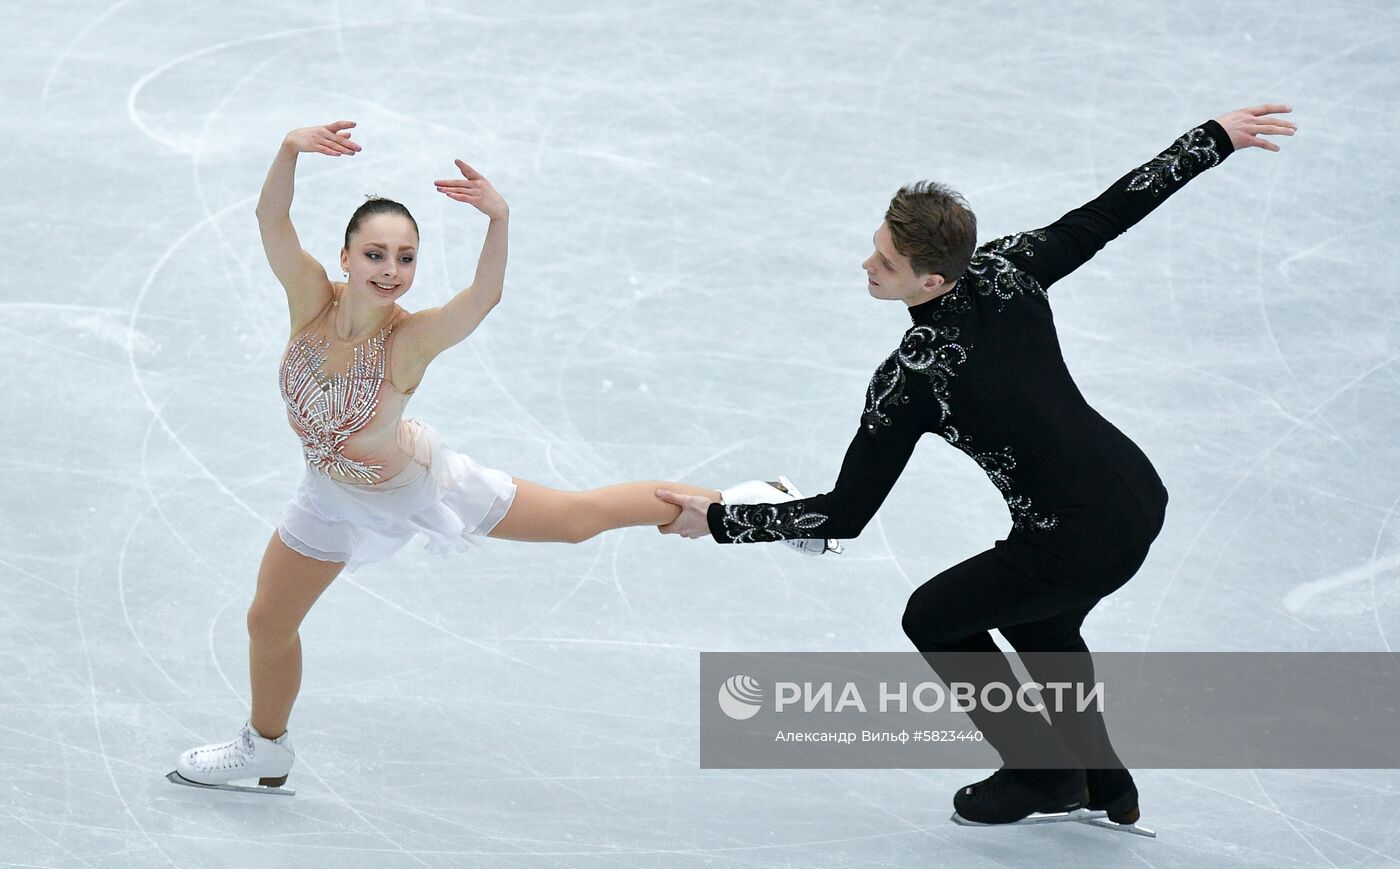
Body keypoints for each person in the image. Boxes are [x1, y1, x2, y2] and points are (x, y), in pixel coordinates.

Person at [658, 105, 1297, 829]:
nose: (867, 267)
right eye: (876, 247)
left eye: (887, 264)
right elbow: (1108, 213)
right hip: (1135, 496)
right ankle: (1103, 783)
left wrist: (716, 520)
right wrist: (1209, 139)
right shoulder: (1005, 267)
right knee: (1043, 628)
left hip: (1075, 533)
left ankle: (1040, 774)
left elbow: (845, 516)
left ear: (931, 281)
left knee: (934, 616)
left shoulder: (914, 377)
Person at [167, 120, 817, 794]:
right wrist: (288, 149)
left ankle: (762, 506)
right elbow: (270, 218)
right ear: (345, 257)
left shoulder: (408, 342)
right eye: (377, 255)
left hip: (417, 487)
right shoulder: (308, 302)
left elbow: (483, 298)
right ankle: (266, 747)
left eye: (407, 258)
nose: (392, 272)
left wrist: (497, 220)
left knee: (575, 519)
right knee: (267, 621)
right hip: (329, 495)